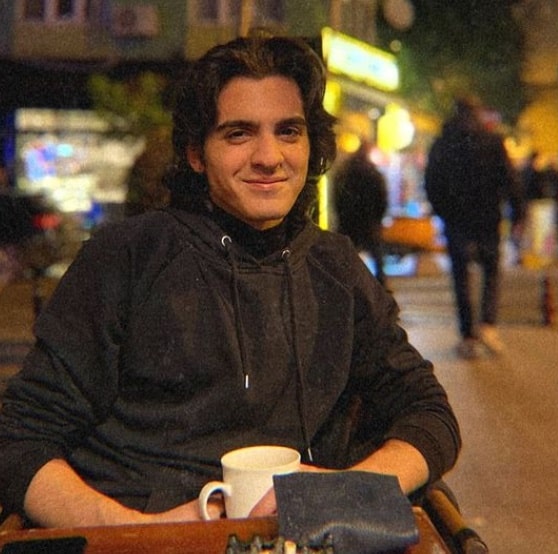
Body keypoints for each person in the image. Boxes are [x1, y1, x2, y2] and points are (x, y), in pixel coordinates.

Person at [0, 36, 460, 529]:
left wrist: (343, 492)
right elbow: (19, 438)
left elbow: (429, 414)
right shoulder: (126, 258)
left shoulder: (336, 268)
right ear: (196, 154)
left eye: (289, 131)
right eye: (239, 134)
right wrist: (139, 531)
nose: (269, 157)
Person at [424, 97, 525, 359]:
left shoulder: (443, 143)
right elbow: (509, 179)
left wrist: (443, 211)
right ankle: (488, 324)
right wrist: (517, 213)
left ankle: (468, 334)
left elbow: (431, 182)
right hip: (488, 218)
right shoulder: (492, 141)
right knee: (491, 271)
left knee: (461, 275)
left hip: (456, 219)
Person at [333, 141, 389, 286]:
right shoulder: (372, 173)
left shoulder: (345, 172)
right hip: (368, 219)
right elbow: (381, 197)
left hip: (349, 218)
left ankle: (342, 280)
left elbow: (338, 195)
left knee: (345, 253)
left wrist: (341, 213)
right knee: (375, 253)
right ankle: (380, 283)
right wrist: (378, 217)